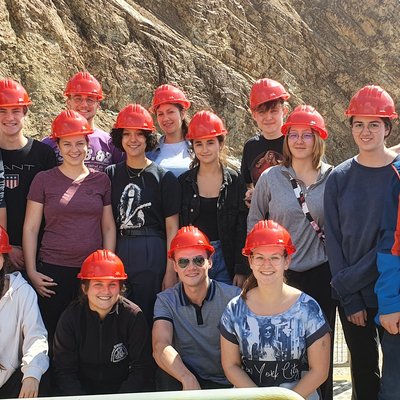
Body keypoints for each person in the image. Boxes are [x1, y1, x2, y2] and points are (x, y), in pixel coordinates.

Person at [248, 105, 334, 398]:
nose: (299, 141)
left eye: (306, 135)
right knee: (283, 352)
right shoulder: (272, 177)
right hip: (281, 276)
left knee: (320, 354)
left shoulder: (332, 178)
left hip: (321, 276)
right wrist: (259, 267)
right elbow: (255, 221)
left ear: (318, 139)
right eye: (293, 134)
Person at [324, 85, 399, 399]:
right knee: (364, 374)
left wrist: (348, 282)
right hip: (354, 297)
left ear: (387, 128)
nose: (365, 131)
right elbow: (334, 241)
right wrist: (351, 298)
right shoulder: (339, 178)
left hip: (392, 292)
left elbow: (391, 243)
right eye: (359, 124)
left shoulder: (396, 175)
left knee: (395, 377)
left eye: (374, 124)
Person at [23, 110, 116, 343]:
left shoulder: (101, 180)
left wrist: (107, 266)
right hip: (53, 270)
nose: (74, 150)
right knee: (53, 334)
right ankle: (51, 379)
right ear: (58, 146)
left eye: (79, 143)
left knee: (91, 334)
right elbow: (31, 228)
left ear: (88, 144)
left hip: (91, 271)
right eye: (67, 144)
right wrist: (33, 272)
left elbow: (108, 227)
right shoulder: (43, 180)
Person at [219, 220, 330, 400]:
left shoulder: (308, 309)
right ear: (250, 260)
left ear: (287, 261)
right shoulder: (234, 310)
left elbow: (320, 370)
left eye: (275, 257)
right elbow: (231, 365)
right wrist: (259, 398)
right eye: (260, 257)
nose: (267, 264)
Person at [106, 104, 180, 326]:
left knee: (148, 314)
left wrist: (170, 271)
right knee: (119, 312)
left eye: (139, 134)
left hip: (153, 250)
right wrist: (109, 263)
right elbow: (109, 224)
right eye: (127, 133)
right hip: (120, 246)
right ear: (119, 137)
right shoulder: (110, 174)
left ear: (148, 138)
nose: (133, 139)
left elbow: (171, 228)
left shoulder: (164, 178)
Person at [53, 249, 154, 395]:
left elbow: (141, 369)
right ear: (85, 288)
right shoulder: (71, 318)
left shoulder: (133, 316)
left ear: (120, 288)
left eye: (112, 284)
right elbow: (64, 371)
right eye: (98, 284)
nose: (105, 291)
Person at [152, 226, 241, 390]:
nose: (191, 267)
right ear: (175, 266)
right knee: (164, 373)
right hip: (188, 377)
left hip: (229, 380)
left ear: (210, 262)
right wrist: (187, 378)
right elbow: (160, 346)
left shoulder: (234, 297)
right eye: (183, 262)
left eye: (198, 260)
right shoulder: (166, 300)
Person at [179, 110, 249, 286]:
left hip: (227, 257)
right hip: (193, 258)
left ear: (221, 143)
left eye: (210, 142)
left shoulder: (235, 182)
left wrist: (241, 268)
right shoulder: (184, 183)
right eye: (199, 144)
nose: (204, 149)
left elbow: (242, 227)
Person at [0, 78, 56, 271]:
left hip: (39, 253)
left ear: (25, 112)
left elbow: (53, 206)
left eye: (15, 110)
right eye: (2, 111)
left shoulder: (44, 154)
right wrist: (6, 248)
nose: (9, 117)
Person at [0, 225, 49, 398]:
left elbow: (36, 336)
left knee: (39, 376)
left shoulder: (22, 291)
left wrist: (32, 374)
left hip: (8, 382)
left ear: (4, 259)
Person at [42, 71, 124, 172]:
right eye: (78, 99)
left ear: (98, 104)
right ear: (68, 102)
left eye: (90, 100)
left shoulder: (111, 143)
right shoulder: (49, 143)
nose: (84, 105)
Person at [241, 78, 290, 207]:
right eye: (262, 112)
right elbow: (247, 183)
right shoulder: (250, 147)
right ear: (253, 114)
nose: (268, 117)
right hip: (263, 222)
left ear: (284, 111)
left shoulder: (296, 143)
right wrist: (251, 193)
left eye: (273, 111)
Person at [375, 159, 400, 400]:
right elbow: (390, 245)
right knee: (394, 390)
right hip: (399, 308)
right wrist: (390, 304)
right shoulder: (397, 175)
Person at [147, 84, 191, 177]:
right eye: (160, 114)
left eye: (170, 112)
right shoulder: (150, 150)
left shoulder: (198, 146)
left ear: (182, 113)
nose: (165, 118)